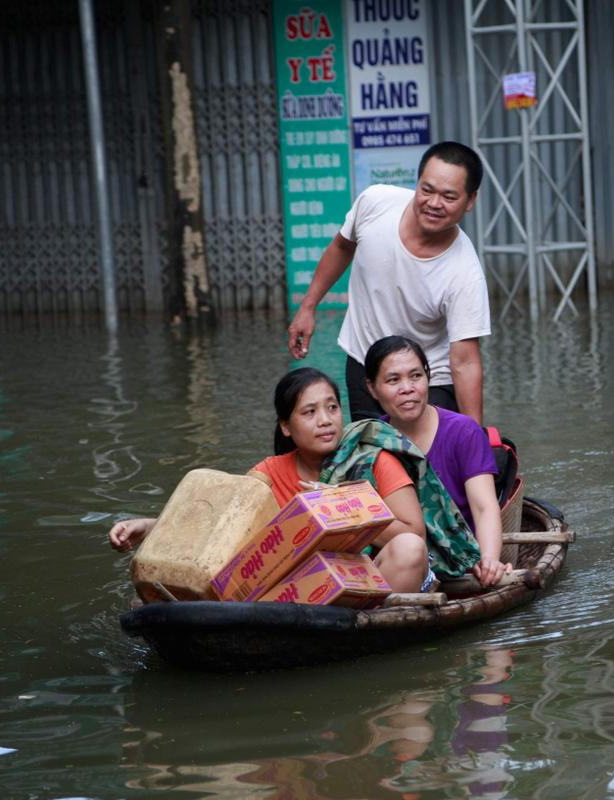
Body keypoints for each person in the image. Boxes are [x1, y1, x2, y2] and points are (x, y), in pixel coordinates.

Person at [107, 368, 430, 593]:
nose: (325, 420)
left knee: (410, 549)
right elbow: (221, 522)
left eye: (332, 408)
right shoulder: (270, 471)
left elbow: (415, 533)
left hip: (371, 583)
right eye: (309, 412)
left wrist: (347, 508)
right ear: (286, 426)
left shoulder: (374, 460)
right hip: (299, 592)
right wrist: (150, 527)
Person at [286, 141, 492, 425]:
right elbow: (342, 247)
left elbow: (465, 361)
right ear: (417, 183)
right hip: (365, 362)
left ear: (470, 201)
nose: (434, 203)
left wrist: (474, 436)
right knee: (372, 459)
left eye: (449, 196)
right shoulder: (376, 203)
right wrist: (308, 307)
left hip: (426, 380)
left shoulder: (464, 272)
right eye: (427, 190)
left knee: (424, 464)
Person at [362, 335, 510, 587]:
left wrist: (489, 559)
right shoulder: (369, 442)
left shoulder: (463, 432)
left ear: (428, 377)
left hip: (459, 560)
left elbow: (484, 507)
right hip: (402, 563)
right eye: (393, 380)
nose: (407, 388)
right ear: (372, 389)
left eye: (416, 376)